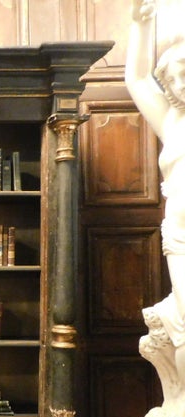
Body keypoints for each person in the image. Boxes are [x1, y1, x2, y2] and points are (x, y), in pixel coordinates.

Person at [127, 0, 185, 355]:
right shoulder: (171, 121)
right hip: (178, 234)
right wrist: (140, 24)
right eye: (172, 78)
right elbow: (135, 77)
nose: (179, 86)